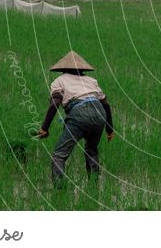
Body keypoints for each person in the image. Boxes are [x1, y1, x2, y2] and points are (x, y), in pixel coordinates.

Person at [36, 51, 114, 187]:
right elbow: (106, 104)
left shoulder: (59, 81)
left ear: (63, 69)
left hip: (79, 113)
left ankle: (59, 190)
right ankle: (94, 187)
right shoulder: (91, 81)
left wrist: (44, 128)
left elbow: (55, 103)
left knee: (59, 155)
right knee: (91, 151)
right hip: (99, 113)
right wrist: (110, 130)